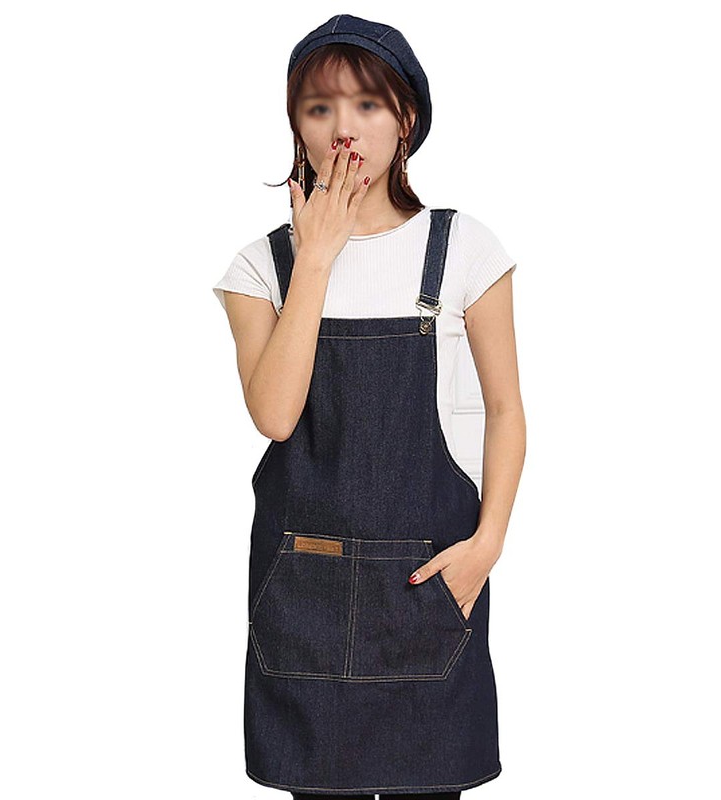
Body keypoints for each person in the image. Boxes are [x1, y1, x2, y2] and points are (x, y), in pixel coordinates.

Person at [212, 14, 526, 800]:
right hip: (304, 601)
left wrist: (487, 545)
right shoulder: (261, 267)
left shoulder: (464, 250)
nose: (343, 128)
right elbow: (276, 416)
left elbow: (506, 410)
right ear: (296, 122)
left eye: (367, 104)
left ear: (405, 117)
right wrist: (317, 256)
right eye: (319, 107)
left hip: (429, 587)